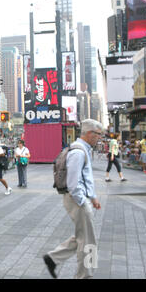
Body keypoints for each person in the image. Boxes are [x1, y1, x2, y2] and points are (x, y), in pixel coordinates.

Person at [43, 119, 103, 279]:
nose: (100, 138)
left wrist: (93, 197)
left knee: (82, 236)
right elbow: (73, 183)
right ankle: (85, 275)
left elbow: (86, 176)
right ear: (89, 133)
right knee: (88, 241)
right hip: (77, 200)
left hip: (79, 199)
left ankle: (53, 258)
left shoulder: (83, 149)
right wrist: (84, 202)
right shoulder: (78, 152)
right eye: (98, 134)